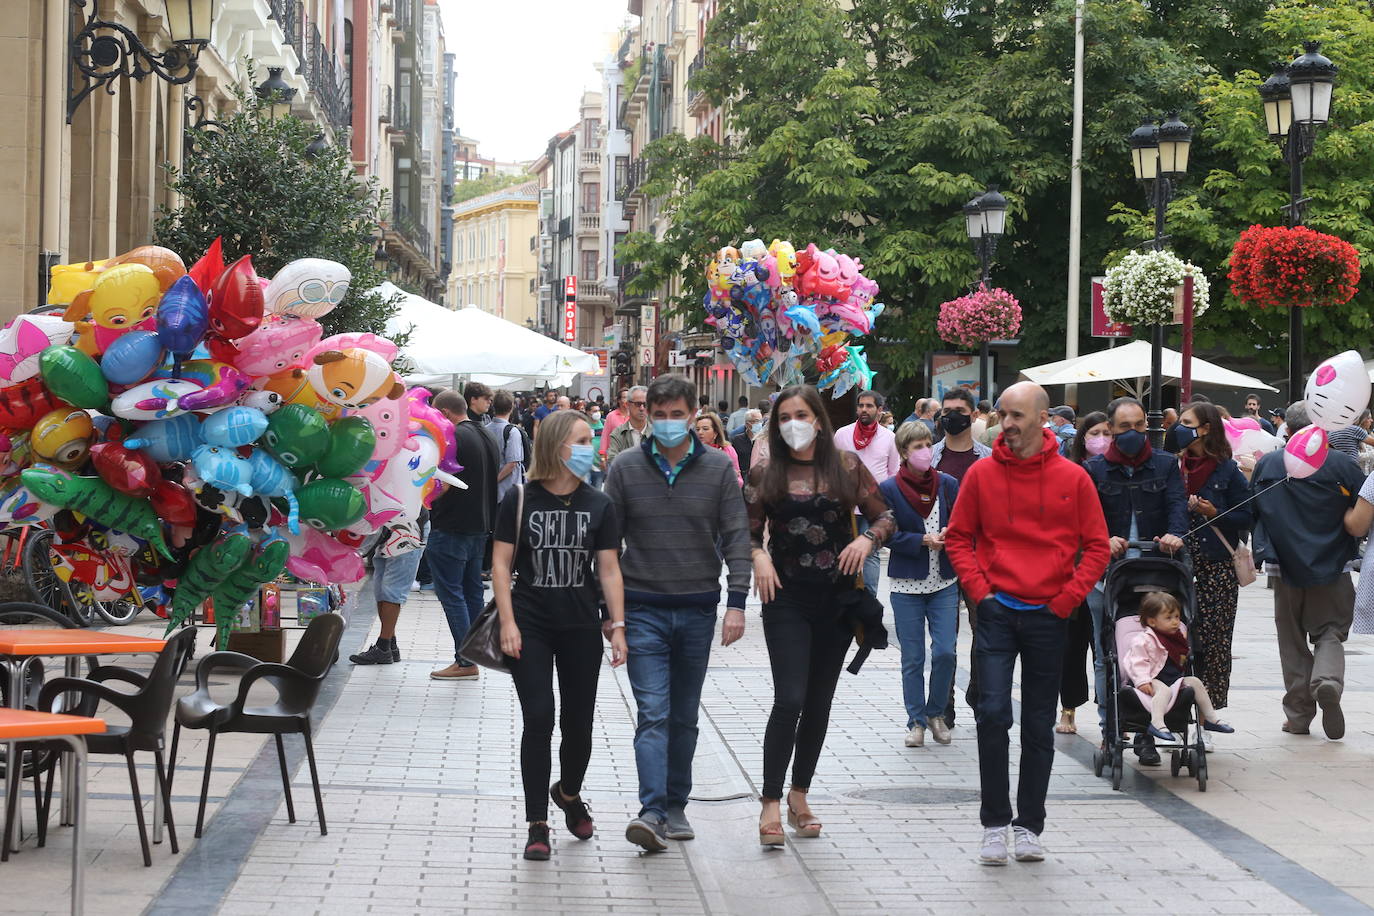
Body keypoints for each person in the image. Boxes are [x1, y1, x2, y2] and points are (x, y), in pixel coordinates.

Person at [944, 381, 1110, 866]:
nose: (1008, 424)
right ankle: (994, 823)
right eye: (1002, 415)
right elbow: (959, 539)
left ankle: (1029, 826)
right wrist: (981, 594)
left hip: (1048, 617)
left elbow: (1097, 546)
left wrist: (1066, 600)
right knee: (992, 715)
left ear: (1043, 419)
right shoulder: (981, 474)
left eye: (1017, 415)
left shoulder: (1073, 478)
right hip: (997, 614)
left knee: (1038, 724)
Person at [605, 374, 751, 851]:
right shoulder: (625, 467)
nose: (667, 423)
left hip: (696, 609)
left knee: (684, 715)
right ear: (646, 414)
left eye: (676, 414)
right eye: (658, 414)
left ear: (693, 414)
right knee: (653, 712)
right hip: (643, 606)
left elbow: (736, 537)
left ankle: (675, 805)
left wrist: (736, 604)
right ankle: (650, 809)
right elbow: (606, 548)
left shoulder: (717, 469)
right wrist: (612, 615)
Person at [746, 384, 895, 846]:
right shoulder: (765, 472)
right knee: (789, 698)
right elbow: (742, 532)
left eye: (802, 414)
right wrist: (758, 555)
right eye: (785, 415)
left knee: (818, 702)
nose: (794, 422)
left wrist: (867, 540)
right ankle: (770, 800)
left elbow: (887, 515)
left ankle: (799, 794)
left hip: (836, 601)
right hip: (785, 597)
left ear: (817, 419)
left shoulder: (845, 465)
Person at [493, 409, 626, 861]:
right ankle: (537, 824)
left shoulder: (599, 503)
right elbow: (499, 565)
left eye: (592, 439)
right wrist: (508, 622)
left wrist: (618, 625)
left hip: (580, 625)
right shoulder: (520, 499)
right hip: (530, 622)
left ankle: (568, 793)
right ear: (556, 446)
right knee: (539, 718)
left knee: (579, 725)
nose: (591, 447)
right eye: (582, 440)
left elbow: (609, 570)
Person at [1082, 396, 1188, 765]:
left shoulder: (1165, 464)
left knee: (1156, 652)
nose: (1133, 433)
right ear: (1110, 429)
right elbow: (1083, 517)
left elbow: (1177, 505)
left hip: (1156, 576)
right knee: (1106, 656)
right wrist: (1100, 538)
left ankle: (1146, 731)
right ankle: (1110, 728)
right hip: (1106, 577)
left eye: (1140, 426)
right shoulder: (1093, 469)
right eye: (1125, 427)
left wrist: (1176, 534)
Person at [1253, 401, 1363, 740]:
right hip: (1333, 565)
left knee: (1292, 640)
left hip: (1282, 566)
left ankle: (1298, 715)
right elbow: (1362, 511)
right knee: (1330, 631)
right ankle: (1327, 681)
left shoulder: (1269, 464)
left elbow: (1253, 512)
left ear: (1286, 428)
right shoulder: (1343, 465)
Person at [879, 421, 959, 749]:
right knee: (912, 657)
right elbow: (885, 533)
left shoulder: (948, 484)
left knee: (945, 652)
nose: (925, 451)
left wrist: (948, 534)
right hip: (906, 583)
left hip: (944, 580)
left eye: (928, 444)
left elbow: (962, 520)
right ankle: (916, 721)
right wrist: (921, 540)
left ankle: (936, 712)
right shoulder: (889, 489)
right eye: (917, 446)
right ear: (903, 452)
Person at [1173, 401, 1251, 714]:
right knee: (1175, 636)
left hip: (1216, 565)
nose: (1179, 427)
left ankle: (1209, 711)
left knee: (1216, 640)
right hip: (1177, 564)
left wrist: (1214, 512)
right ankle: (1175, 704)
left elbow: (1246, 516)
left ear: (1205, 428)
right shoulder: (1172, 466)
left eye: (1186, 421)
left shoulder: (1227, 470)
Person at [929, 386, 992, 727]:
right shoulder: (931, 456)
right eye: (946, 410)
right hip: (939, 556)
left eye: (958, 410)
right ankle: (943, 702)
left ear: (973, 415)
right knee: (944, 638)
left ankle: (978, 694)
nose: (951, 416)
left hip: (980, 556)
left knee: (984, 629)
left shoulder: (988, 458)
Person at [428, 390, 501, 681]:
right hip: (479, 525)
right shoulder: (487, 435)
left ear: (445, 413)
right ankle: (473, 655)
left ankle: (464, 659)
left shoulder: (453, 438)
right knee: (471, 593)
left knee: (451, 593)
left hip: (452, 526)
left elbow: (443, 485)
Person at [1055, 411, 1110, 735]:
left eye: (1106, 432)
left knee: (1108, 648)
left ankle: (1113, 711)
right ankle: (1068, 709)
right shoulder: (1072, 473)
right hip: (1075, 572)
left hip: (1110, 574)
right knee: (1072, 648)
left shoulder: (1118, 474)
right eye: (1095, 432)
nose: (1101, 438)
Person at [1123, 592, 1235, 741]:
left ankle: (1210, 718)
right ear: (1152, 621)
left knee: (1196, 682)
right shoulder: (1143, 640)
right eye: (1168, 618)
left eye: (1177, 616)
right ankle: (1157, 723)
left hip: (1172, 678)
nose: (1175, 622)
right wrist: (1143, 680)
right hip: (1152, 678)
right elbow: (1137, 662)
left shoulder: (1177, 638)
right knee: (1164, 691)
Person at [833, 389, 902, 594]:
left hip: (874, 506)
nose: (864, 409)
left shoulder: (890, 438)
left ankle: (868, 600)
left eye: (869, 406)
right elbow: (833, 468)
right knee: (845, 552)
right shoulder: (842, 434)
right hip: (846, 506)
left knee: (870, 553)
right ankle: (845, 600)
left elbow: (894, 472)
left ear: (879, 410)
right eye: (861, 405)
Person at [349, 519, 424, 665]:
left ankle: (383, 647)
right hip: (386, 527)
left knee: (392, 591)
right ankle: (390, 644)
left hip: (408, 528)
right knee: (381, 590)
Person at [694, 411, 742, 484]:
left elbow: (739, 481)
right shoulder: (691, 451)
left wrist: (732, 477)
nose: (700, 432)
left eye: (705, 429)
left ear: (715, 433)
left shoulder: (728, 450)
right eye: (697, 429)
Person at [605, 385, 650, 463]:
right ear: (627, 405)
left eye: (645, 404)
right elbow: (613, 459)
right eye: (638, 404)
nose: (642, 408)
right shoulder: (618, 433)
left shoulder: (657, 433)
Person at [598, 388, 630, 460]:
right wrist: (602, 456)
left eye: (629, 397)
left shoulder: (634, 415)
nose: (627, 400)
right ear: (619, 400)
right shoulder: (611, 416)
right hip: (613, 455)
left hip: (630, 456)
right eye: (624, 397)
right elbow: (605, 436)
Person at [731, 408, 763, 476]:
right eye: (757, 421)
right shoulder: (737, 440)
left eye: (761, 421)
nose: (760, 424)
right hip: (743, 477)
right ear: (748, 424)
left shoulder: (764, 441)